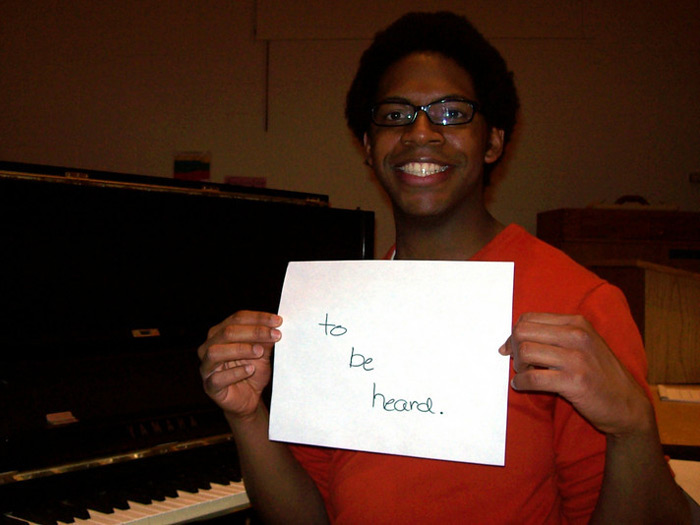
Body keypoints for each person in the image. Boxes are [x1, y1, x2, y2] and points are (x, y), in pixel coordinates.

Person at [198, 11, 691, 524]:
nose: (421, 132)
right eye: (395, 114)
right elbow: (307, 516)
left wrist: (633, 425)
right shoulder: (334, 312)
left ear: (494, 141)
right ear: (368, 147)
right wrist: (248, 416)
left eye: (452, 112)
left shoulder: (581, 307)